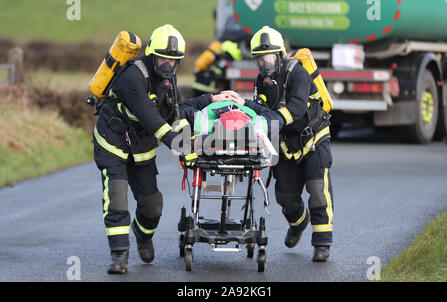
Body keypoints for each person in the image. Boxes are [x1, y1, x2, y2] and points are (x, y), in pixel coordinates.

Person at [92, 24, 238, 274]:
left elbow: (176, 113)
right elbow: (153, 120)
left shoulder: (168, 78)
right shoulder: (132, 77)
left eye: (174, 61)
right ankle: (119, 255)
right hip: (113, 143)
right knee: (117, 198)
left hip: (142, 150)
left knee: (152, 206)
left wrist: (199, 122)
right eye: (164, 60)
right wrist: (182, 148)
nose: (169, 66)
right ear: (151, 54)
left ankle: (143, 234)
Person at [229, 26, 334, 261]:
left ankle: (322, 244)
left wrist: (272, 120)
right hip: (286, 142)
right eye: (259, 59)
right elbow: (261, 108)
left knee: (318, 190)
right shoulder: (263, 80)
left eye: (267, 57)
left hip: (313, 137)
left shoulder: (297, 73)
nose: (263, 63)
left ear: (279, 55)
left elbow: (296, 107)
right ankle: (298, 224)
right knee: (285, 197)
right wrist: (242, 105)